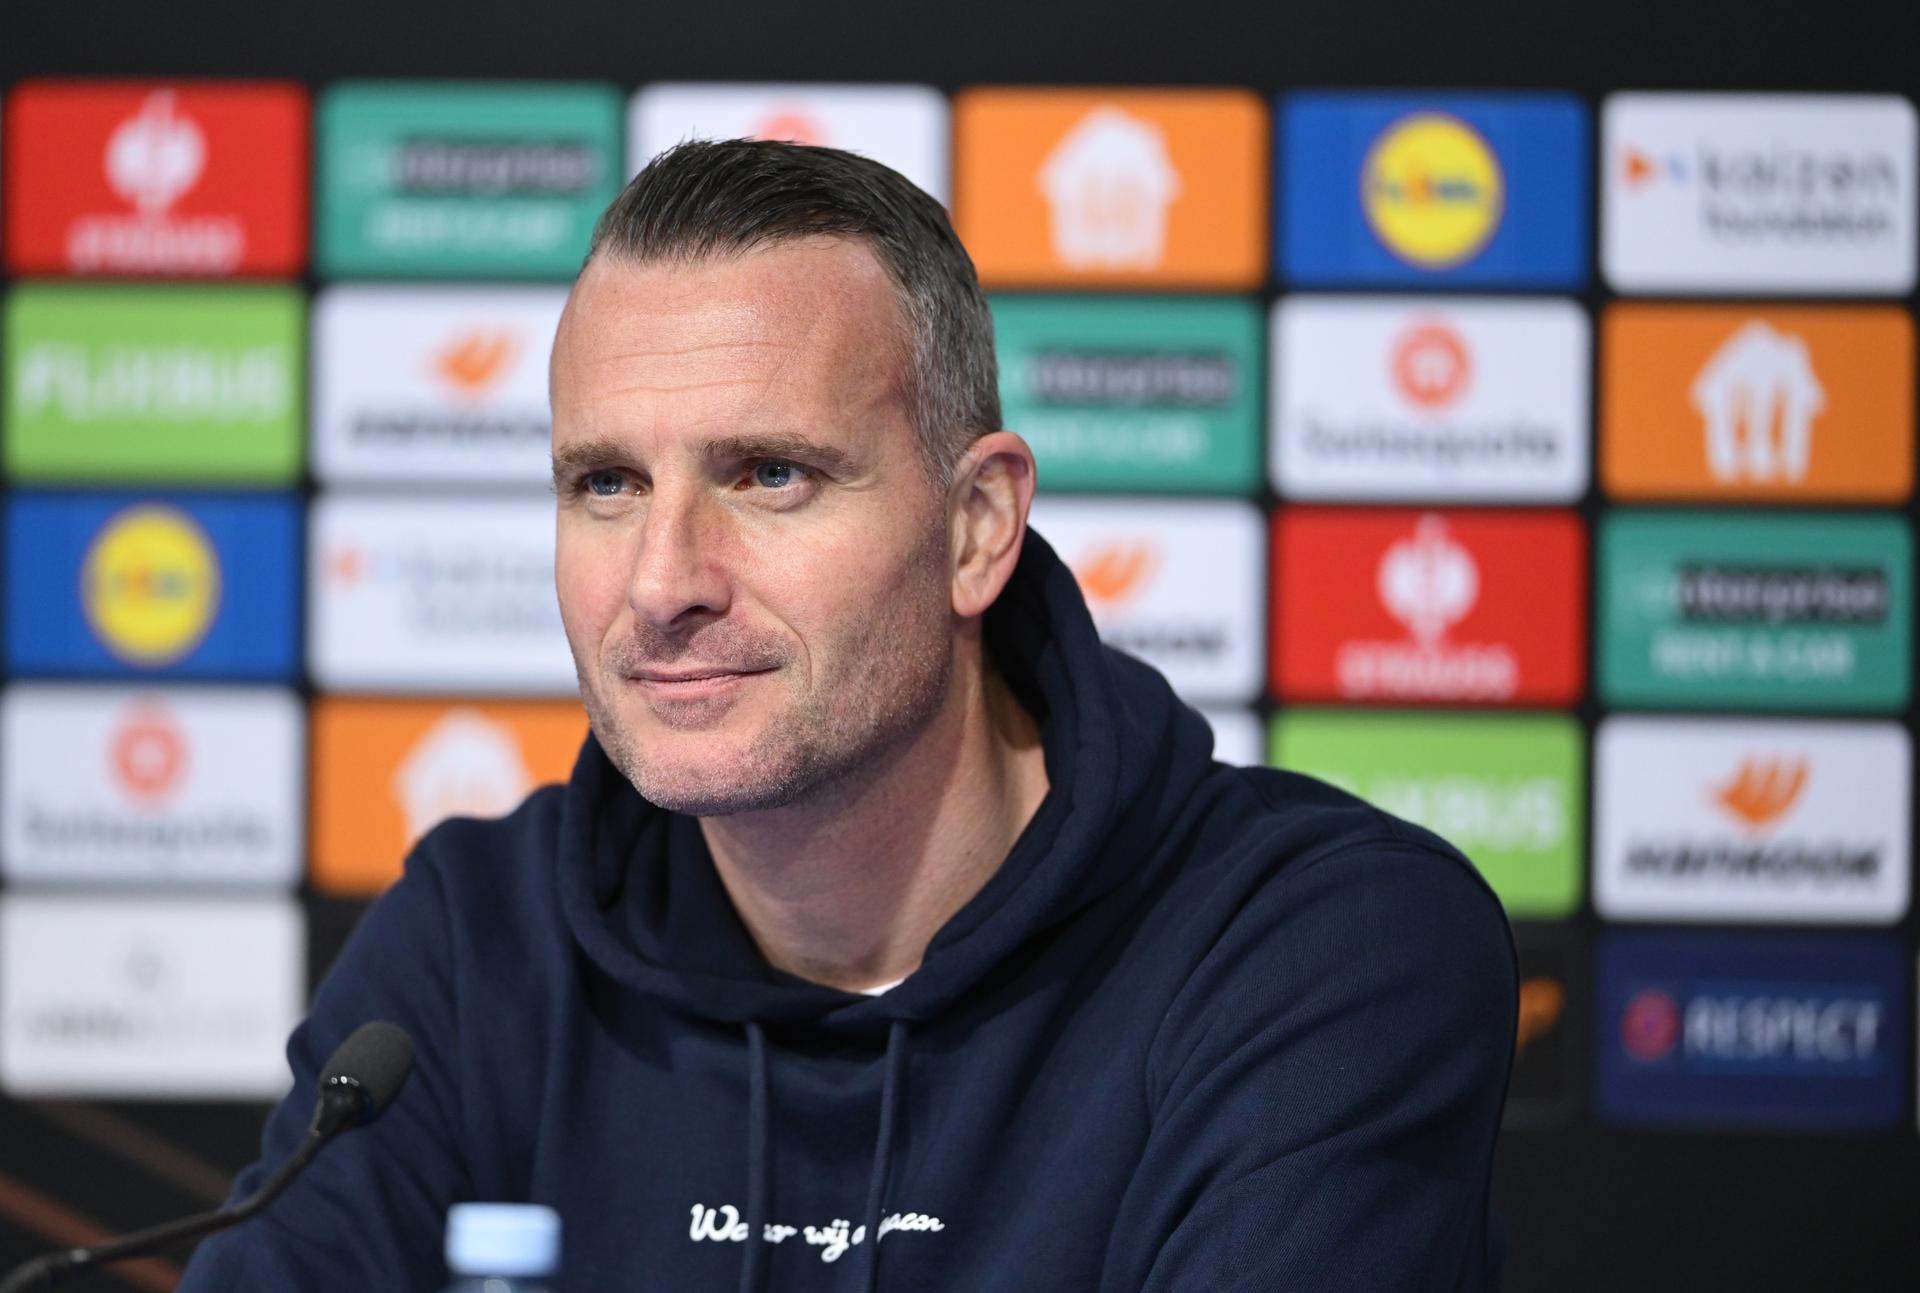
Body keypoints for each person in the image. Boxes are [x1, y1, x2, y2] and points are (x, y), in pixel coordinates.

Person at [181, 138, 1517, 1291]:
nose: (661, 582)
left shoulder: (1309, 944)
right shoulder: (479, 946)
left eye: (768, 474)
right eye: (604, 482)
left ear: (976, 525)